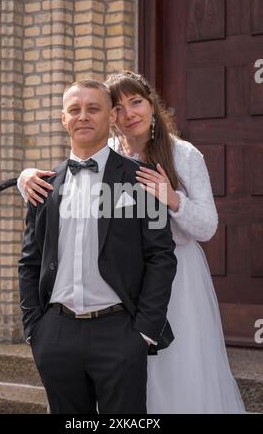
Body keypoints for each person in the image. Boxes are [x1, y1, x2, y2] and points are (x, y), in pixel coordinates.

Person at [18, 71, 246, 414]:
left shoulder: (179, 156)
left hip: (163, 288)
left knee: (171, 378)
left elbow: (192, 235)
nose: (128, 114)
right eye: (120, 107)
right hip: (76, 317)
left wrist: (142, 332)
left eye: (135, 102)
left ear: (151, 105)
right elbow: (33, 254)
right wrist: (36, 328)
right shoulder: (98, 153)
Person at [18, 79, 177, 414]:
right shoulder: (43, 186)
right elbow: (30, 261)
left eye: (93, 108)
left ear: (110, 117)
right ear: (64, 119)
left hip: (119, 333)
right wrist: (35, 328)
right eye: (74, 110)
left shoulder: (140, 179)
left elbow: (161, 257)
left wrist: (144, 333)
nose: (83, 116)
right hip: (56, 334)